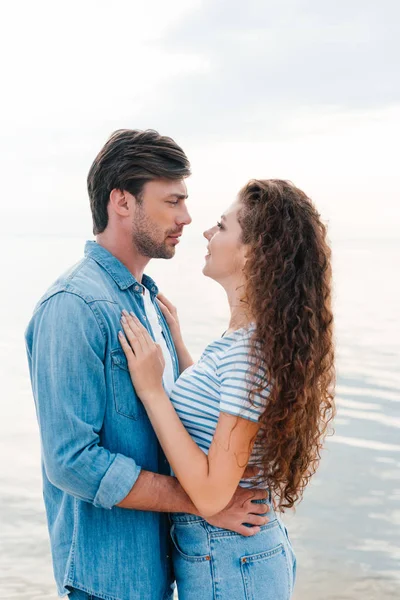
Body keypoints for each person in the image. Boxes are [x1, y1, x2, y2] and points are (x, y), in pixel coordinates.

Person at [24, 130, 271, 600]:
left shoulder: (151, 303)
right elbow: (70, 461)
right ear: (122, 202)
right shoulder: (73, 305)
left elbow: (179, 421)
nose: (186, 217)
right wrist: (203, 504)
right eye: (172, 201)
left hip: (161, 573)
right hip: (106, 580)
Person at [118, 178, 336, 599]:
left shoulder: (248, 353)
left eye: (221, 226)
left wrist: (153, 391)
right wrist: (180, 350)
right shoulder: (247, 342)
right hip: (237, 560)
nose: (205, 232)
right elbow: (220, 418)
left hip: (234, 565)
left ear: (254, 251)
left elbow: (213, 494)